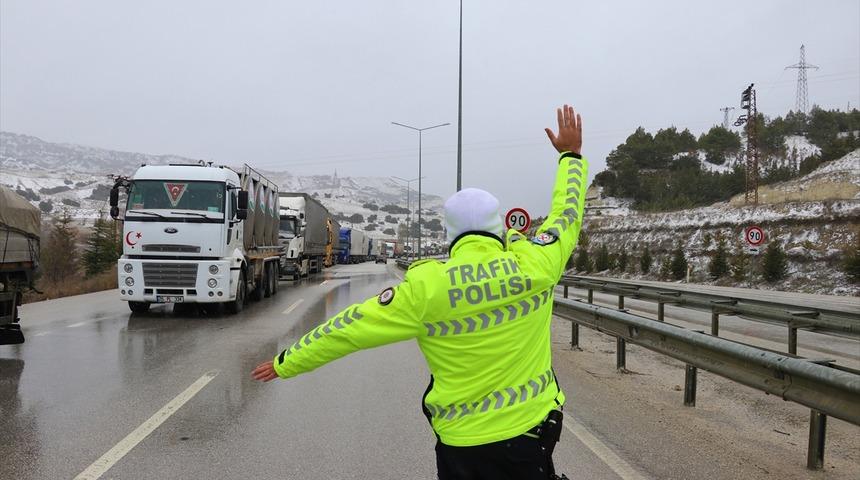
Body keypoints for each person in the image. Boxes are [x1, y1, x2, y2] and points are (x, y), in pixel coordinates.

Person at [253, 105, 587, 479]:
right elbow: (567, 215)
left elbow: (349, 328)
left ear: (449, 234)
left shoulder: (427, 286)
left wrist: (287, 362)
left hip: (462, 446)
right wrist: (570, 157)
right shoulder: (536, 264)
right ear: (498, 227)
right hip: (530, 434)